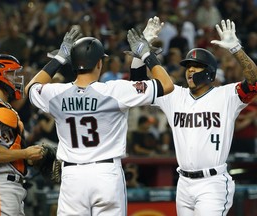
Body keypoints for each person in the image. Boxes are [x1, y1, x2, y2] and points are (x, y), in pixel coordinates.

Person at [24, 20, 174, 215]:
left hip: (72, 176)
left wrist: (59, 58)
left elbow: (30, 89)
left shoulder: (56, 93)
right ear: (99, 63)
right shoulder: (114, 90)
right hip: (106, 174)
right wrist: (145, 53)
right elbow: (166, 84)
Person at [130, 18, 257, 215]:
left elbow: (255, 81)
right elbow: (138, 84)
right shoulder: (174, 95)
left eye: (196, 66)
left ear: (209, 72)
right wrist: (141, 49)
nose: (190, 70)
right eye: (188, 66)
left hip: (212, 183)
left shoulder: (226, 96)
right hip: (184, 183)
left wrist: (236, 49)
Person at [0, 54, 44, 215]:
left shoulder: (2, 106)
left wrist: (30, 158)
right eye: (12, 74)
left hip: (7, 185)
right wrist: (26, 153)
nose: (16, 78)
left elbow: (9, 148)